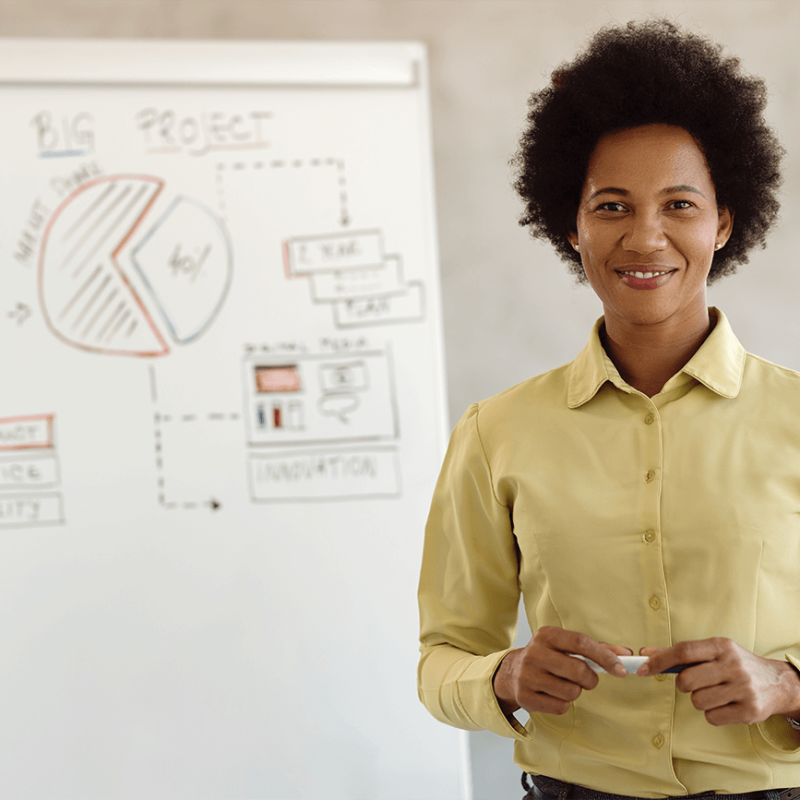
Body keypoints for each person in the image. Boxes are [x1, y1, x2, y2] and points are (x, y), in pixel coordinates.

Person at [417, 18, 800, 800]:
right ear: (572, 224)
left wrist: (788, 684)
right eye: (614, 206)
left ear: (723, 222)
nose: (646, 238)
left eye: (681, 205)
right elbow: (443, 657)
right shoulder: (499, 433)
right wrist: (506, 675)